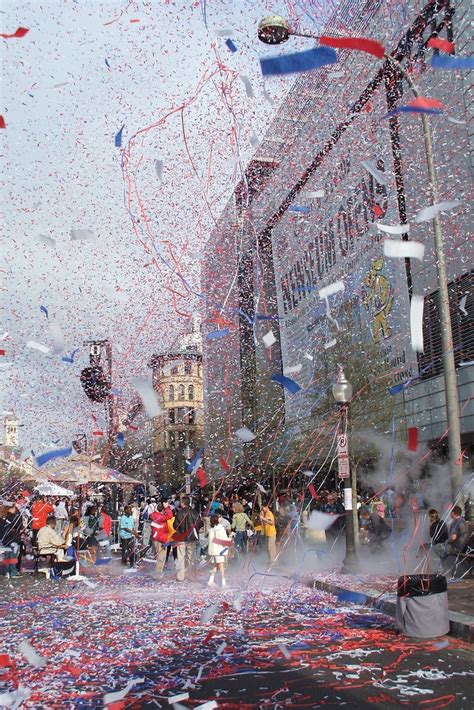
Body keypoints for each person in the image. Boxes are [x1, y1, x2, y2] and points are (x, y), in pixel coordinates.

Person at [173, 496, 202, 581]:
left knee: (180, 557)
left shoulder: (179, 513)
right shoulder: (195, 512)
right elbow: (200, 524)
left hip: (181, 538)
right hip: (192, 537)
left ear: (183, 503)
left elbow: (175, 526)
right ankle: (191, 575)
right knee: (191, 557)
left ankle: (180, 576)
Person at [432, 506, 468, 573]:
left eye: (451, 512)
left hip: (455, 548)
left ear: (453, 513)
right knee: (442, 548)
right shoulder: (462, 521)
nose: (450, 514)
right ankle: (445, 568)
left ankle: (441, 570)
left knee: (435, 548)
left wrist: (446, 541)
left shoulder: (456, 523)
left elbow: (453, 538)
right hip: (462, 547)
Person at [149, 501, 173, 575]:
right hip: (161, 538)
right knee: (161, 556)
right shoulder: (161, 517)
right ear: (162, 510)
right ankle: (158, 572)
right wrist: (167, 508)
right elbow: (170, 515)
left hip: (155, 537)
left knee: (159, 555)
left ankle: (158, 570)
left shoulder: (153, 515)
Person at [207, 514, 231, 587]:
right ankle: (223, 583)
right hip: (219, 549)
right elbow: (222, 539)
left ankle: (210, 581)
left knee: (216, 565)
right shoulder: (219, 528)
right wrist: (230, 538)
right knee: (221, 566)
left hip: (214, 550)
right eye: (219, 517)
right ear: (216, 519)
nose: (221, 518)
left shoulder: (212, 528)